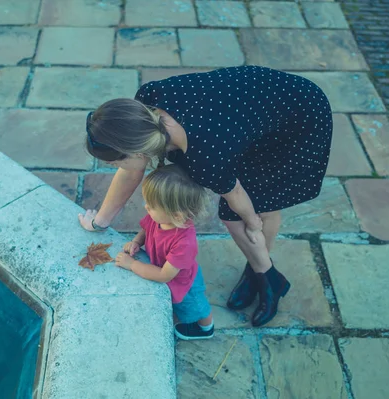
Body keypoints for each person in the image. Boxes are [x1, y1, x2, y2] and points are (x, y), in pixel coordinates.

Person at [79, 65, 332, 327]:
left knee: (255, 207)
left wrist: (254, 223)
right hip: (250, 109)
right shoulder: (147, 106)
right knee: (239, 213)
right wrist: (101, 221)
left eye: (114, 163)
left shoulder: (204, 154)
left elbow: (235, 193)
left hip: (297, 116)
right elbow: (131, 171)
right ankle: (263, 272)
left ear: (138, 152)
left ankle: (265, 276)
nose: (114, 169)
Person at [114, 164, 214, 340]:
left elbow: (164, 276)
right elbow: (146, 229)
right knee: (189, 307)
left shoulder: (184, 242)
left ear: (175, 215)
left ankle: (206, 329)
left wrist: (132, 265)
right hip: (170, 269)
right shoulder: (160, 218)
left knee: (196, 306)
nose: (146, 207)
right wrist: (137, 241)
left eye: (151, 206)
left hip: (183, 282)